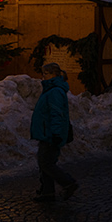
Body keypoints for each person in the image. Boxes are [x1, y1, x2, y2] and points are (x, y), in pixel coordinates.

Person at [29, 62, 77, 202]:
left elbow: (57, 114)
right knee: (44, 162)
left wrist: (56, 133)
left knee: (46, 163)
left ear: (53, 74)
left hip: (50, 134)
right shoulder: (51, 89)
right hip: (47, 132)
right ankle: (47, 192)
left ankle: (68, 183)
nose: (43, 77)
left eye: (45, 73)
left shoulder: (55, 91)